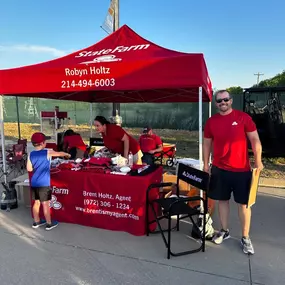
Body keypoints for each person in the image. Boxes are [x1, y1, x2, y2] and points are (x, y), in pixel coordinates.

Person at [203, 90, 263, 255]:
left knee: (243, 205)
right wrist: (206, 165)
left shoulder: (243, 118)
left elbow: (255, 140)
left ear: (231, 100)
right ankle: (224, 230)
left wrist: (258, 161)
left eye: (225, 99)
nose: (223, 102)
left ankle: (245, 237)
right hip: (219, 169)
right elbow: (207, 143)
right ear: (216, 104)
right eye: (219, 100)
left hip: (241, 171)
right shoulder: (211, 122)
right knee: (222, 201)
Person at [26, 132, 71, 231]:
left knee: (36, 203)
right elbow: (60, 153)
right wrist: (67, 154)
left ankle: (36, 221)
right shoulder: (47, 152)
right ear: (42, 143)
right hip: (44, 183)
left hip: (34, 182)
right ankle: (49, 223)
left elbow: (29, 169)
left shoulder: (31, 154)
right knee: (45, 203)